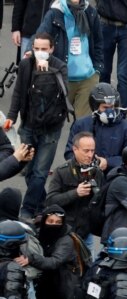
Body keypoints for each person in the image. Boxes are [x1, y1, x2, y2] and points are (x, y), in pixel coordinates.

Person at [8, 34, 70, 220]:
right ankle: (42, 202)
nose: (40, 52)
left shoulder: (59, 67)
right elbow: (18, 92)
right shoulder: (26, 65)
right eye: (37, 48)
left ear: (51, 49)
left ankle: (27, 209)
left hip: (51, 128)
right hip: (29, 124)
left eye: (44, 49)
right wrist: (11, 116)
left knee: (40, 172)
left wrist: (46, 74)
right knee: (28, 169)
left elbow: (61, 94)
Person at [36, 0, 102, 121]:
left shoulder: (90, 12)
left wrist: (97, 69)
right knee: (55, 122)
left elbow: (98, 42)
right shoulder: (55, 13)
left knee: (83, 125)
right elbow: (40, 36)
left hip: (87, 77)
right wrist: (33, 53)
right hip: (62, 78)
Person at [44, 132, 103, 239]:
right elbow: (50, 201)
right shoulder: (61, 171)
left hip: (87, 231)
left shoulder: (97, 172)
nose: (90, 155)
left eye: (92, 151)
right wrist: (75, 193)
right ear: (75, 149)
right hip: (65, 231)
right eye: (86, 151)